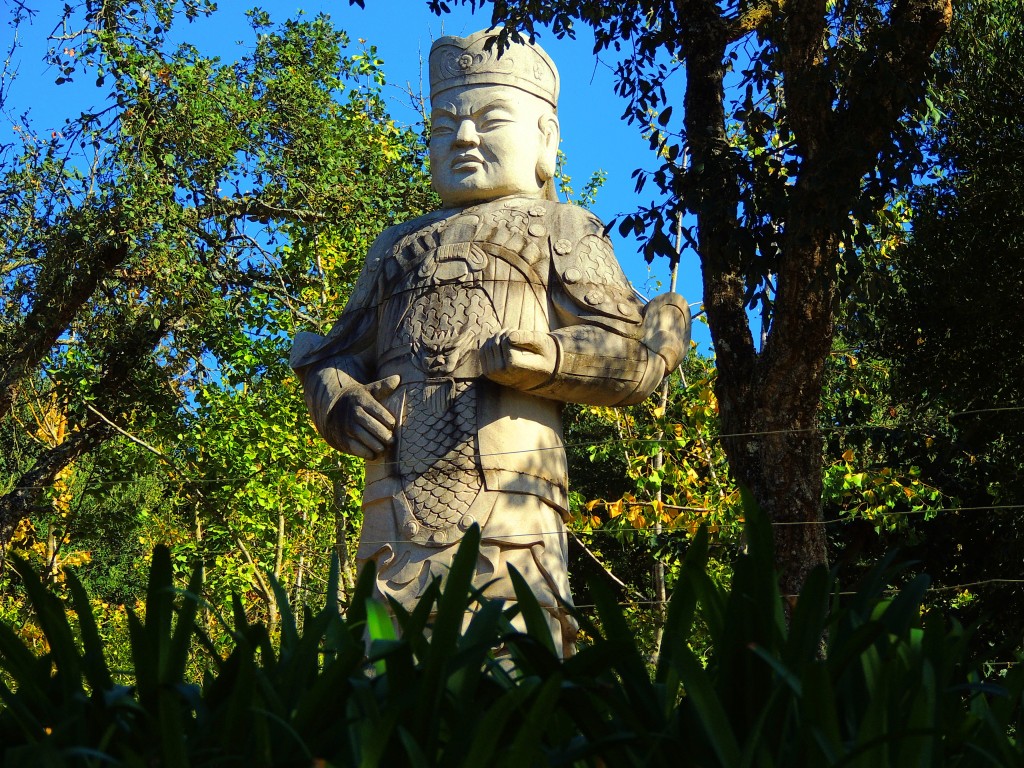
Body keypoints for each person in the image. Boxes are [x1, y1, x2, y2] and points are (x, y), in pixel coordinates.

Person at [291, 29, 690, 655]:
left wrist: (553, 358)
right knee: (379, 675)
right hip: (391, 523)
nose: (464, 137)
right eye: (444, 125)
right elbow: (331, 355)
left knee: (509, 671)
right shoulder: (395, 247)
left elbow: (634, 356)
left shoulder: (562, 226)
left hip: (514, 515)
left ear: (546, 141)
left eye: (489, 120)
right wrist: (339, 399)